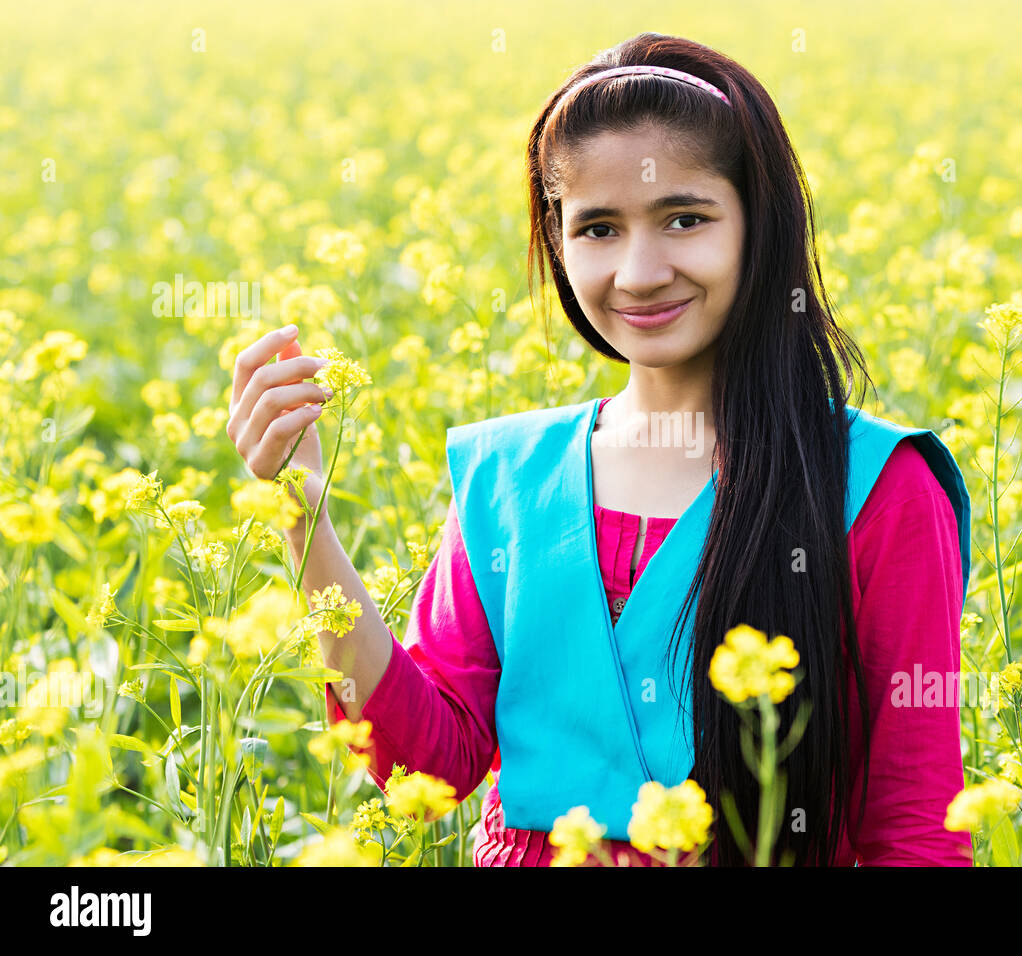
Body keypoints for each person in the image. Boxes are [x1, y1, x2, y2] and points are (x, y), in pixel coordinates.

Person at [226, 32, 973, 867]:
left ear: (758, 228)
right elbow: (422, 764)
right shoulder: (511, 478)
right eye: (599, 229)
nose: (641, 271)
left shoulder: (877, 489)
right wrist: (302, 515)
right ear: (558, 241)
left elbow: (915, 827)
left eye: (684, 218)